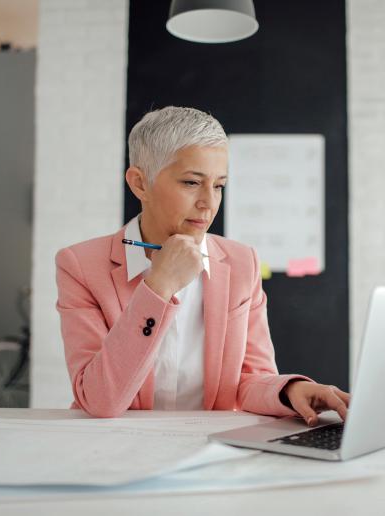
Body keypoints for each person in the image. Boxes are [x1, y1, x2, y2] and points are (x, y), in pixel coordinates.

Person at [55, 106, 350, 424]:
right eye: (192, 183)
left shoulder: (241, 263)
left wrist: (289, 391)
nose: (209, 203)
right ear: (140, 183)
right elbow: (100, 400)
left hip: (204, 449)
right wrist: (158, 287)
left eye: (219, 185)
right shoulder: (80, 266)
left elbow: (249, 379)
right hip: (111, 451)